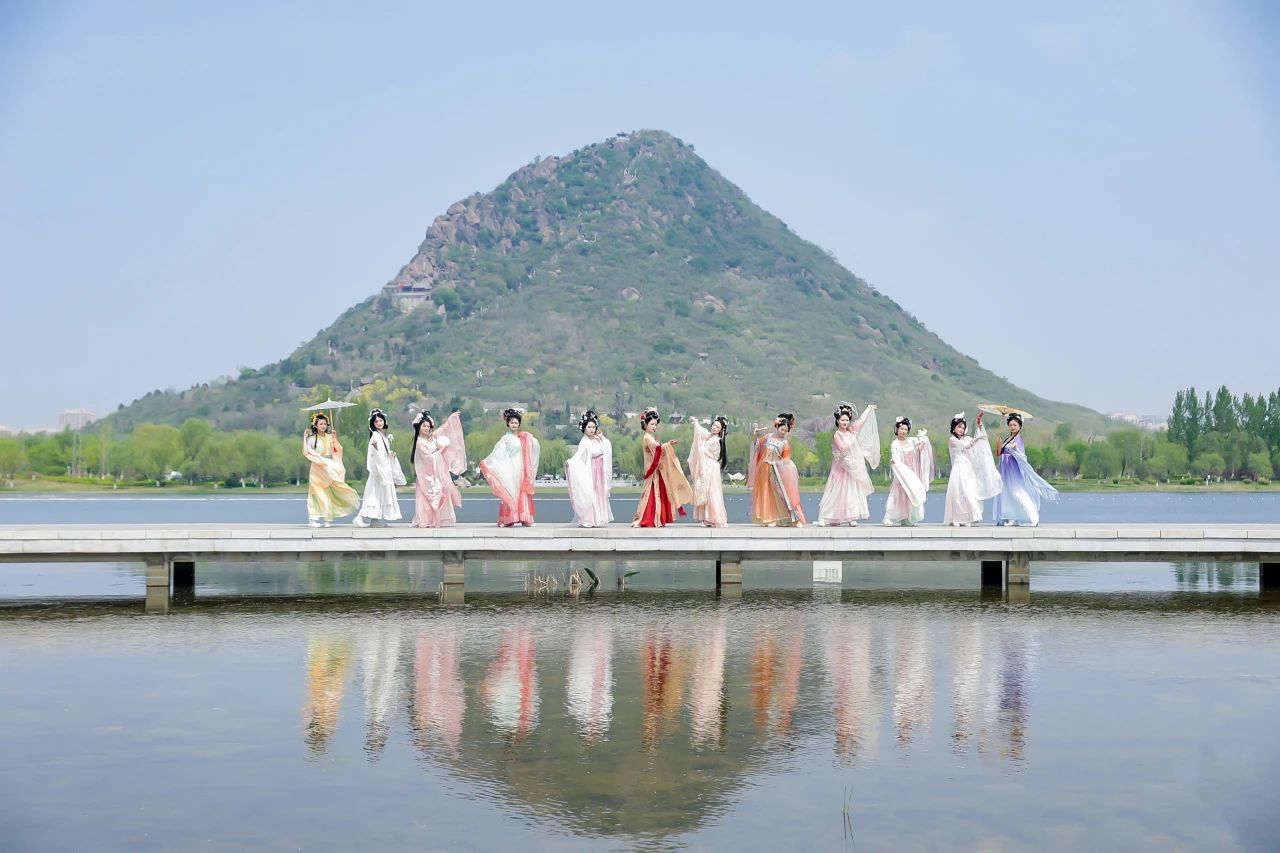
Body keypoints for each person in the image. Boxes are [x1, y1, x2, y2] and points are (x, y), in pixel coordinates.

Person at [817, 402, 879, 526]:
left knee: (851, 492)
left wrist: (869, 408)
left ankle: (851, 517)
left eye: (846, 420)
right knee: (836, 492)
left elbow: (861, 421)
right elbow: (842, 448)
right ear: (838, 421)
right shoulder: (837, 435)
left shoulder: (851, 430)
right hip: (840, 468)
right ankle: (827, 516)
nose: (845, 422)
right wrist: (852, 438)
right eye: (842, 420)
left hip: (851, 468)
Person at [632, 407, 694, 527]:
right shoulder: (647, 437)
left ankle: (656, 519)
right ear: (645, 424)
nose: (654, 426)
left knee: (656, 494)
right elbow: (658, 449)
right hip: (651, 470)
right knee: (650, 495)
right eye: (652, 424)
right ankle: (647, 519)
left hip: (655, 470)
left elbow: (658, 448)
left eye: (656, 424)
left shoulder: (650, 437)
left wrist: (667, 444)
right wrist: (668, 445)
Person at [479, 408, 539, 527]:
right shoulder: (505, 439)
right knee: (511, 492)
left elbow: (534, 445)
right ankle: (509, 519)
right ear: (508, 423)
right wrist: (487, 462)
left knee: (522, 492)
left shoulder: (523, 437)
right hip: (510, 469)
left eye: (516, 422)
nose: (514, 425)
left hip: (522, 469)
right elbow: (497, 453)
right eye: (512, 422)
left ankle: (525, 518)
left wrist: (530, 438)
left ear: (519, 424)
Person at [994, 413, 1058, 526]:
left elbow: (1021, 455)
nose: (1012, 427)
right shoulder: (1008, 439)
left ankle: (1033, 516)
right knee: (1007, 493)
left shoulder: (1018, 440)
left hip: (1013, 470)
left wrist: (1015, 449)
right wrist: (998, 440)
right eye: (1011, 425)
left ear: (1020, 426)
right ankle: (1012, 517)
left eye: (1015, 425)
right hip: (1005, 470)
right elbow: (999, 453)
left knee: (1017, 492)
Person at [943, 411, 1002, 526]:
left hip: (968, 469)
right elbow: (966, 447)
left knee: (969, 492)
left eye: (963, 427)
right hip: (958, 468)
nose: (961, 429)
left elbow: (976, 441)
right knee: (958, 493)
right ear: (954, 428)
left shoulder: (966, 438)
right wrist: (977, 439)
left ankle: (968, 518)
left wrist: (979, 425)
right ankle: (956, 518)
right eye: (959, 427)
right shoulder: (952, 440)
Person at [410, 410, 467, 528]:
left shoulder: (429, 439)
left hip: (434, 473)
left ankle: (437, 520)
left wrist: (450, 419)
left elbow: (441, 430)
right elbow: (429, 458)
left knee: (440, 494)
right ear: (418, 427)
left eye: (428, 426)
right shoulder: (420, 443)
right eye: (424, 426)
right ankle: (427, 520)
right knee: (431, 497)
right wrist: (441, 449)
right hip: (426, 476)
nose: (426, 428)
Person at [302, 412, 360, 527]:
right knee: (316, 493)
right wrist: (305, 438)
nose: (323, 426)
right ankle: (312, 519)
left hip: (328, 467)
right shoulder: (312, 439)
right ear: (315, 425)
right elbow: (307, 451)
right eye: (321, 424)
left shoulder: (330, 437)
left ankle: (327, 519)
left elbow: (337, 450)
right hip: (317, 467)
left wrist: (335, 438)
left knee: (328, 493)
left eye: (325, 424)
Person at [749, 413, 806, 527]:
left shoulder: (784, 443)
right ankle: (768, 518)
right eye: (782, 429)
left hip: (777, 471)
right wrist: (755, 435)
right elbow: (757, 445)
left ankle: (792, 518)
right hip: (764, 470)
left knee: (782, 494)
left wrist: (780, 466)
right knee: (766, 493)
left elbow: (786, 460)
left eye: (786, 431)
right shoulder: (767, 437)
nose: (783, 432)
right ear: (777, 427)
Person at [354, 408, 405, 527]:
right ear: (373, 424)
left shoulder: (381, 435)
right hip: (379, 471)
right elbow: (374, 454)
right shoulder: (375, 436)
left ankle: (374, 520)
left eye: (381, 420)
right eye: (376, 421)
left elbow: (383, 453)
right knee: (375, 494)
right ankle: (368, 519)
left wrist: (390, 454)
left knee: (377, 494)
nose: (379, 423)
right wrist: (377, 450)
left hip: (382, 469)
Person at [565, 410, 613, 528]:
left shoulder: (598, 439)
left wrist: (602, 438)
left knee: (599, 493)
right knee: (590, 493)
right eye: (589, 427)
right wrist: (570, 463)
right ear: (584, 428)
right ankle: (588, 518)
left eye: (593, 427)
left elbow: (607, 447)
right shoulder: (584, 442)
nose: (592, 429)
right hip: (591, 470)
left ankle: (599, 519)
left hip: (600, 471)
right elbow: (579, 456)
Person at [883, 416, 934, 526]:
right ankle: (889, 517)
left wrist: (922, 441)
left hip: (912, 473)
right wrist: (894, 461)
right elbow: (895, 457)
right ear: (897, 429)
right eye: (902, 429)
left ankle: (907, 518)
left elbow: (920, 446)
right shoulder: (895, 443)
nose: (904, 431)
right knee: (898, 495)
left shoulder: (911, 441)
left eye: (906, 429)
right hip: (901, 473)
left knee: (910, 495)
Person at [688, 415, 729, 528]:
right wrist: (696, 421)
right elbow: (701, 431)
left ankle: (714, 517)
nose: (714, 428)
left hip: (711, 468)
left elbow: (714, 456)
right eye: (714, 425)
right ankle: (707, 518)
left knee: (712, 492)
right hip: (705, 466)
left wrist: (702, 450)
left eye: (717, 427)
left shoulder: (717, 440)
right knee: (705, 491)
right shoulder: (709, 436)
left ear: (721, 430)